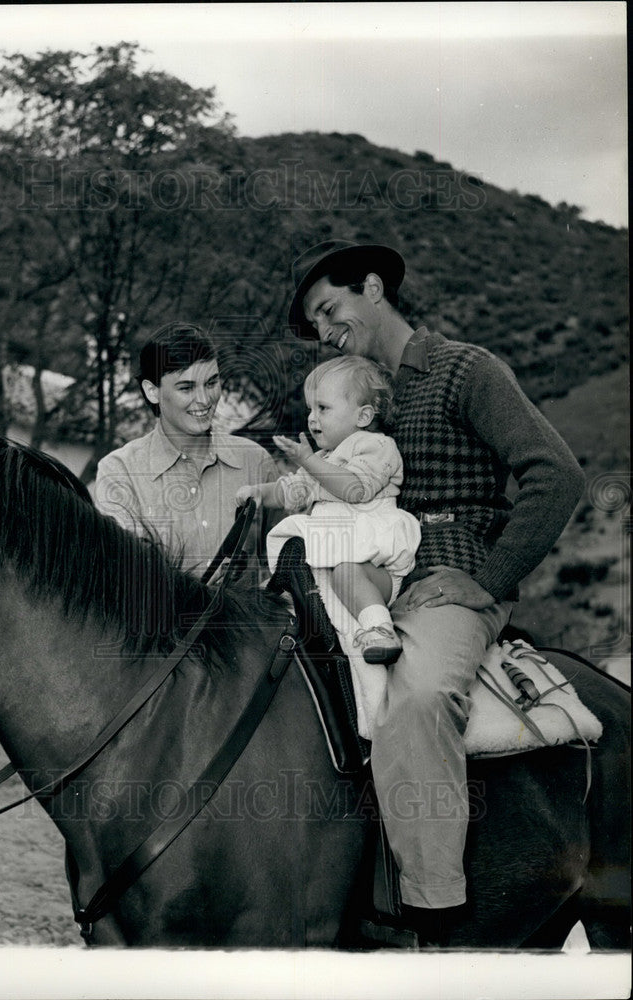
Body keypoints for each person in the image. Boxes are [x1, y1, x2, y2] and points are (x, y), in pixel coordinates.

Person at [287, 239, 584, 943]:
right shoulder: (345, 392)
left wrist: (487, 581)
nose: (326, 331)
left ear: (371, 286)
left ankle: (432, 908)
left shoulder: (464, 369)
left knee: (417, 698)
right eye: (315, 325)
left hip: (444, 575)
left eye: (330, 310)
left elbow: (557, 475)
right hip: (357, 569)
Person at [236, 355, 420, 664]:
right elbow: (292, 491)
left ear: (362, 417)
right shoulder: (325, 458)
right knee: (283, 588)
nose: (312, 418)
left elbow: (355, 488)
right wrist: (259, 493)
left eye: (323, 408)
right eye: (310, 409)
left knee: (347, 574)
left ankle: (379, 628)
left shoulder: (375, 446)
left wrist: (309, 461)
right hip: (333, 558)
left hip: (370, 567)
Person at [95, 322, 279, 579]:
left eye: (212, 382)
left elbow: (287, 565)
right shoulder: (119, 472)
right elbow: (124, 579)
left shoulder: (256, 461)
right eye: (186, 387)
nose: (204, 400)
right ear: (152, 392)